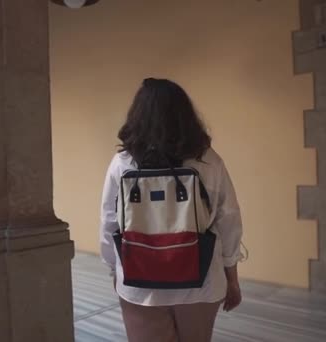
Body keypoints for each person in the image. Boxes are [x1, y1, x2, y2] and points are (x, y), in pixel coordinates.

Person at [99, 78, 244, 342]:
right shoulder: (209, 160)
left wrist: (115, 270)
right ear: (185, 116)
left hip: (139, 281)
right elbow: (229, 220)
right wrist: (231, 277)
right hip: (201, 280)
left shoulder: (122, 163)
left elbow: (110, 223)